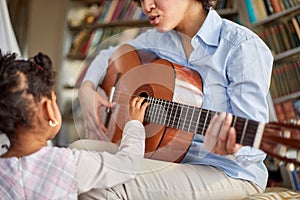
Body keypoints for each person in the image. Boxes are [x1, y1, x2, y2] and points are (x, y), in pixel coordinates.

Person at [78, 0, 274, 199]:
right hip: (171, 159)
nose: (146, 7)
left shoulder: (241, 46)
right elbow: (108, 55)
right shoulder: (158, 39)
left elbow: (254, 148)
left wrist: (234, 147)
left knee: (99, 181)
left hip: (228, 172)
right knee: (79, 153)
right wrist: (87, 88)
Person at [0, 50, 150, 199]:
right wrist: (134, 123)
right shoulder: (66, 163)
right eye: (55, 100)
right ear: (48, 110)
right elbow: (127, 166)